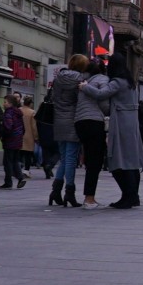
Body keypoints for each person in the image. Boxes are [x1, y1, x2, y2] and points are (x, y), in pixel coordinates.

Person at [79, 53, 143, 209]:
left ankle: (128, 196)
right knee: (131, 161)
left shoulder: (117, 82)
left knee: (119, 161)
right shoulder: (130, 82)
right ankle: (132, 196)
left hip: (121, 122)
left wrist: (84, 86)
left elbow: (101, 93)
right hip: (132, 123)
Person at [50, 54, 88, 207]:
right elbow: (82, 99)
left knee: (64, 158)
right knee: (71, 159)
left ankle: (55, 191)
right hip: (73, 120)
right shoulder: (80, 79)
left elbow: (53, 97)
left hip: (58, 120)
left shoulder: (58, 78)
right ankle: (69, 193)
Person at [74, 59, 110, 210]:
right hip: (94, 121)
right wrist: (108, 111)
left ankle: (88, 197)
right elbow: (103, 100)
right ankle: (89, 199)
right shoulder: (103, 79)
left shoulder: (84, 81)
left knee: (89, 159)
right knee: (95, 161)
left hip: (79, 121)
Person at [0, 94, 27, 189]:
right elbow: (23, 128)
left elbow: (8, 127)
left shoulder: (8, 113)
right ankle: (20, 178)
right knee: (15, 160)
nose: (3, 104)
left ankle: (8, 182)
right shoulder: (18, 112)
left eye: (5, 102)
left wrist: (2, 135)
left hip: (10, 140)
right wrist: (19, 136)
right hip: (18, 140)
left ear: (10, 103)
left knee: (7, 162)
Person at [19, 97, 39, 178]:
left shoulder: (18, 110)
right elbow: (34, 126)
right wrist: (36, 137)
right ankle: (26, 171)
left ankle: (18, 168)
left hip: (19, 134)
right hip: (29, 136)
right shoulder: (32, 112)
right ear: (31, 104)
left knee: (20, 153)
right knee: (28, 154)